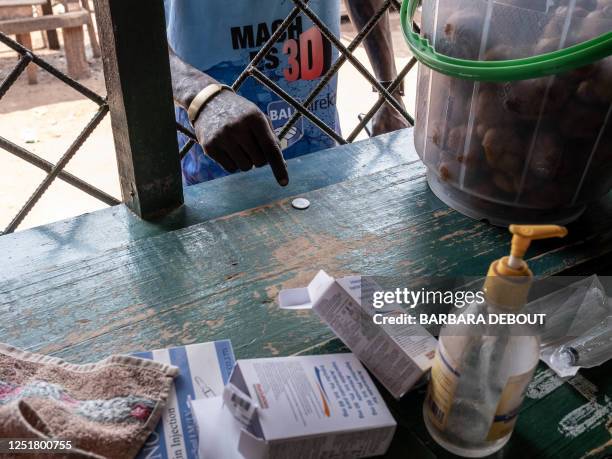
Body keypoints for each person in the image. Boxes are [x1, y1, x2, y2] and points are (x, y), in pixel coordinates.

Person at [165, 0, 408, 186]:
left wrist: (390, 94)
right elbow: (130, 28)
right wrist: (202, 96)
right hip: (210, 143)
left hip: (315, 133)